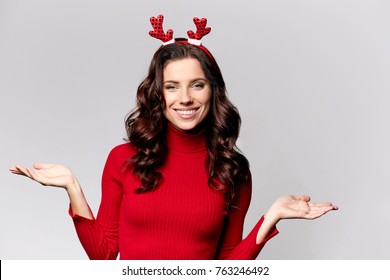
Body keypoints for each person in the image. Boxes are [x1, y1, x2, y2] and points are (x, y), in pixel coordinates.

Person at [9, 15, 338, 260]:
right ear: (157, 94)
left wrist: (271, 218)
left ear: (213, 91)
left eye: (197, 84)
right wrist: (72, 187)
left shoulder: (232, 169)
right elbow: (105, 256)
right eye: (171, 86)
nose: (185, 98)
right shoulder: (123, 159)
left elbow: (226, 268)